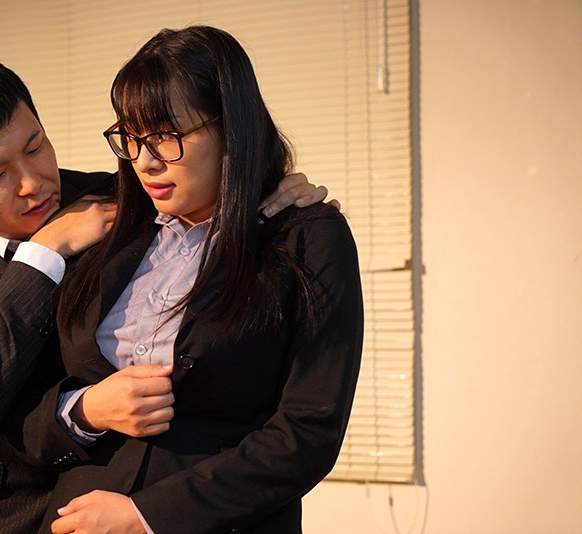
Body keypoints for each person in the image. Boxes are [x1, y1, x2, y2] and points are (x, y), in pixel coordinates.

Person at [0, 55, 328, 533]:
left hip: (104, 495)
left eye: (35, 146)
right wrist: (44, 253)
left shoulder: (103, 196)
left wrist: (272, 193)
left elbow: (203, 192)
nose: (33, 182)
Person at [47, 26, 364, 534]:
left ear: (231, 128)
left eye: (166, 136)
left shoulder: (305, 238)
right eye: (131, 137)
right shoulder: (108, 224)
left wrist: (146, 517)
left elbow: (308, 431)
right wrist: (82, 411)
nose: (145, 161)